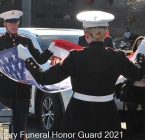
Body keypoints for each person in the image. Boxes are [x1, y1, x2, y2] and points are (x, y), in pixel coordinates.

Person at [17, 11, 145, 139]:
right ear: (106, 34)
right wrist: (140, 57)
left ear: (86, 35)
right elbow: (137, 75)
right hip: (108, 115)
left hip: (79, 114)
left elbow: (44, 78)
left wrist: (28, 59)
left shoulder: (75, 57)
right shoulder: (118, 56)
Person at [0, 10, 54, 140]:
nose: (13, 26)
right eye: (10, 23)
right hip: (4, 89)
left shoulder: (25, 41)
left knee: (20, 128)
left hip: (22, 89)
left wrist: (50, 50)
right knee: (4, 127)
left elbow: (40, 59)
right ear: (5, 24)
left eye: (15, 23)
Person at [126, 36, 145, 139]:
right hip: (133, 89)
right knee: (131, 112)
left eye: (142, 44)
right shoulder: (131, 57)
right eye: (139, 44)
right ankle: (129, 134)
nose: (140, 46)